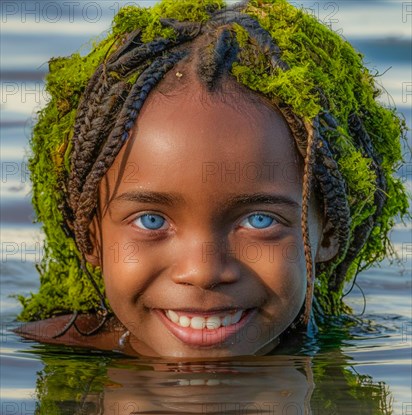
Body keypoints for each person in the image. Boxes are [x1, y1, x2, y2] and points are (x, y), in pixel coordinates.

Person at [15, 0, 408, 358]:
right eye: (151, 220)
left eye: (260, 220)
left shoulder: (344, 365)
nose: (202, 272)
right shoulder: (48, 360)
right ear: (91, 236)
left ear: (329, 234)